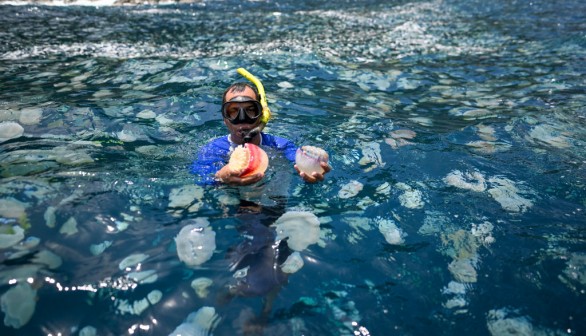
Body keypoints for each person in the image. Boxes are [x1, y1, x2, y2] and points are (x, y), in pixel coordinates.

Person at [190, 82, 330, 186]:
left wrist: (312, 167)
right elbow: (199, 177)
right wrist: (220, 176)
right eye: (233, 111)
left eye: (251, 110)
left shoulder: (280, 146)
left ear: (262, 115)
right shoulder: (214, 149)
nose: (242, 117)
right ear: (225, 119)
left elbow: (298, 163)